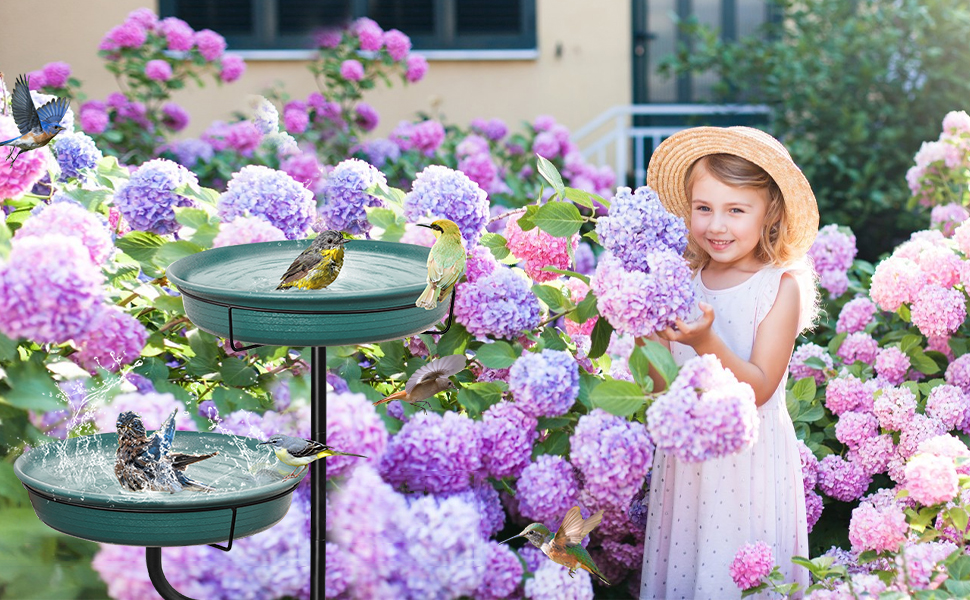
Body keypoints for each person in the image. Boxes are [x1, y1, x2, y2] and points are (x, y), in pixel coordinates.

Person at [639, 126, 819, 599]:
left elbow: (758, 387)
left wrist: (706, 340)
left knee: (737, 572)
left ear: (770, 214)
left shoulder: (779, 287)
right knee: (688, 563)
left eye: (736, 210)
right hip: (687, 465)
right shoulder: (681, 280)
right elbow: (658, 389)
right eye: (704, 208)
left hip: (750, 468)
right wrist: (645, 334)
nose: (716, 225)